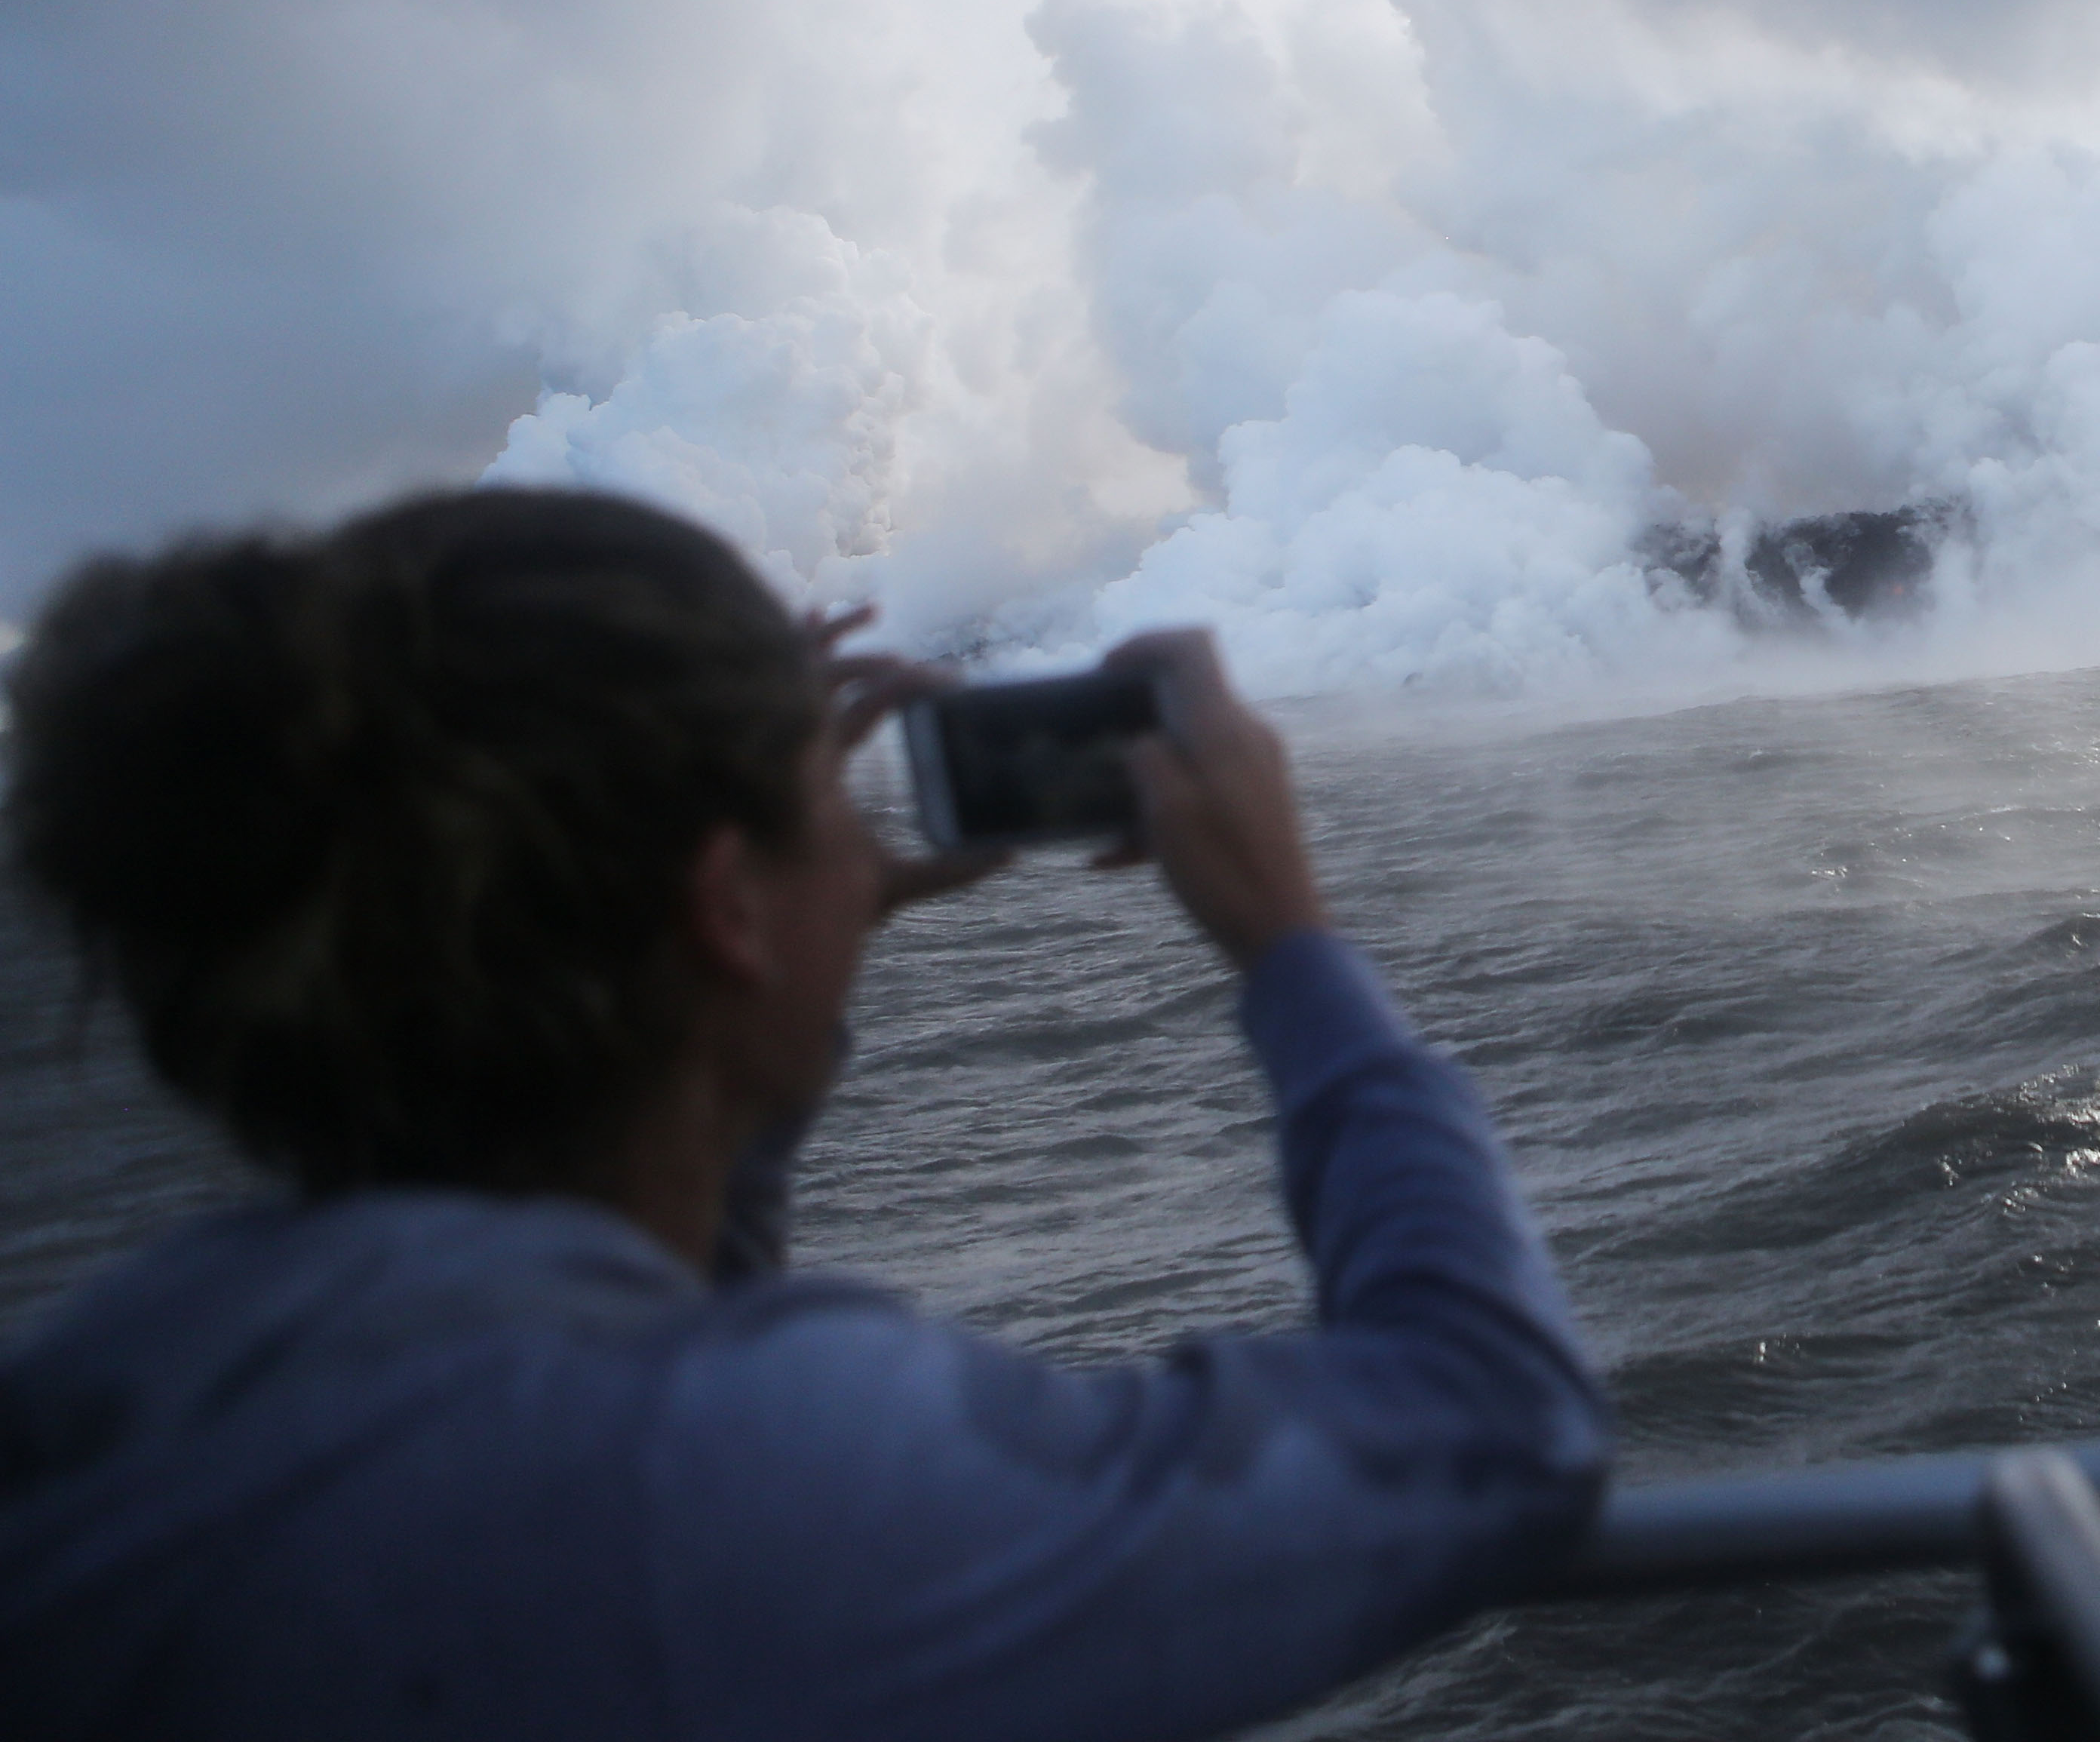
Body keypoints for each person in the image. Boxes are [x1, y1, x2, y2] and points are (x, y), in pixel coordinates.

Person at [0, 487, 1610, 1741]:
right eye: (826, 809)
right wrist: (1289, 941)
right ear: (723, 905)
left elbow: (610, 1319)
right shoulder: (724, 1483)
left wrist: (778, 958)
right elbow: (1496, 1423)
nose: (865, 844)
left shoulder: (114, 1374)